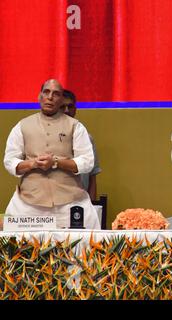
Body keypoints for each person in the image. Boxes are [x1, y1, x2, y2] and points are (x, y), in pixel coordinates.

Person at [3, 79, 100, 229]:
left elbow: (87, 162)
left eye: (56, 94)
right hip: (29, 204)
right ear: (39, 96)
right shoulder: (22, 126)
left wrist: (56, 162)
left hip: (70, 202)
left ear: (61, 99)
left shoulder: (76, 126)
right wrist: (33, 163)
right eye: (46, 92)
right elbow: (10, 161)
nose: (50, 97)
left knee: (87, 237)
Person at [62, 89, 101, 201]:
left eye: (70, 106)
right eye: (62, 107)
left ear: (75, 109)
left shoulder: (87, 139)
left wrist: (93, 206)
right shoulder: (46, 138)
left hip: (81, 205)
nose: (66, 110)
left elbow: (92, 177)